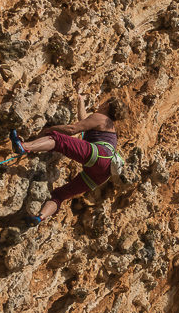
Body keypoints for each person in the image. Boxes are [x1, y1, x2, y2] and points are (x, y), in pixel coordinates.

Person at [9, 93, 121, 226]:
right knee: (60, 195)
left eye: (104, 103)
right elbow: (84, 120)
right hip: (102, 174)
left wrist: (49, 130)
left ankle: (23, 146)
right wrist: (80, 100)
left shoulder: (101, 117)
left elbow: (72, 129)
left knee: (57, 140)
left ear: (107, 105)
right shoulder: (110, 128)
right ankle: (39, 217)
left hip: (100, 155)